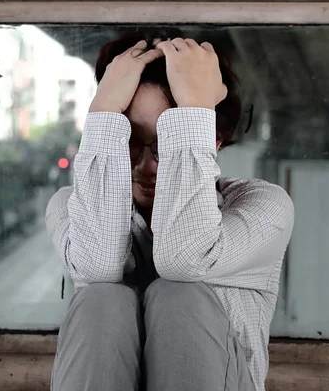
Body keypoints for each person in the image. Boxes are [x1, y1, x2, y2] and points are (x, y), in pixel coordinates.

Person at [45, 31, 294, 391]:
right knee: (102, 297)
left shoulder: (263, 207)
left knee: (180, 294)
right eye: (128, 139)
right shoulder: (69, 206)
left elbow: (184, 260)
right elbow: (97, 267)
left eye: (167, 143)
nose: (146, 166)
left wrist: (196, 109)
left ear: (213, 141)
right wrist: (102, 111)